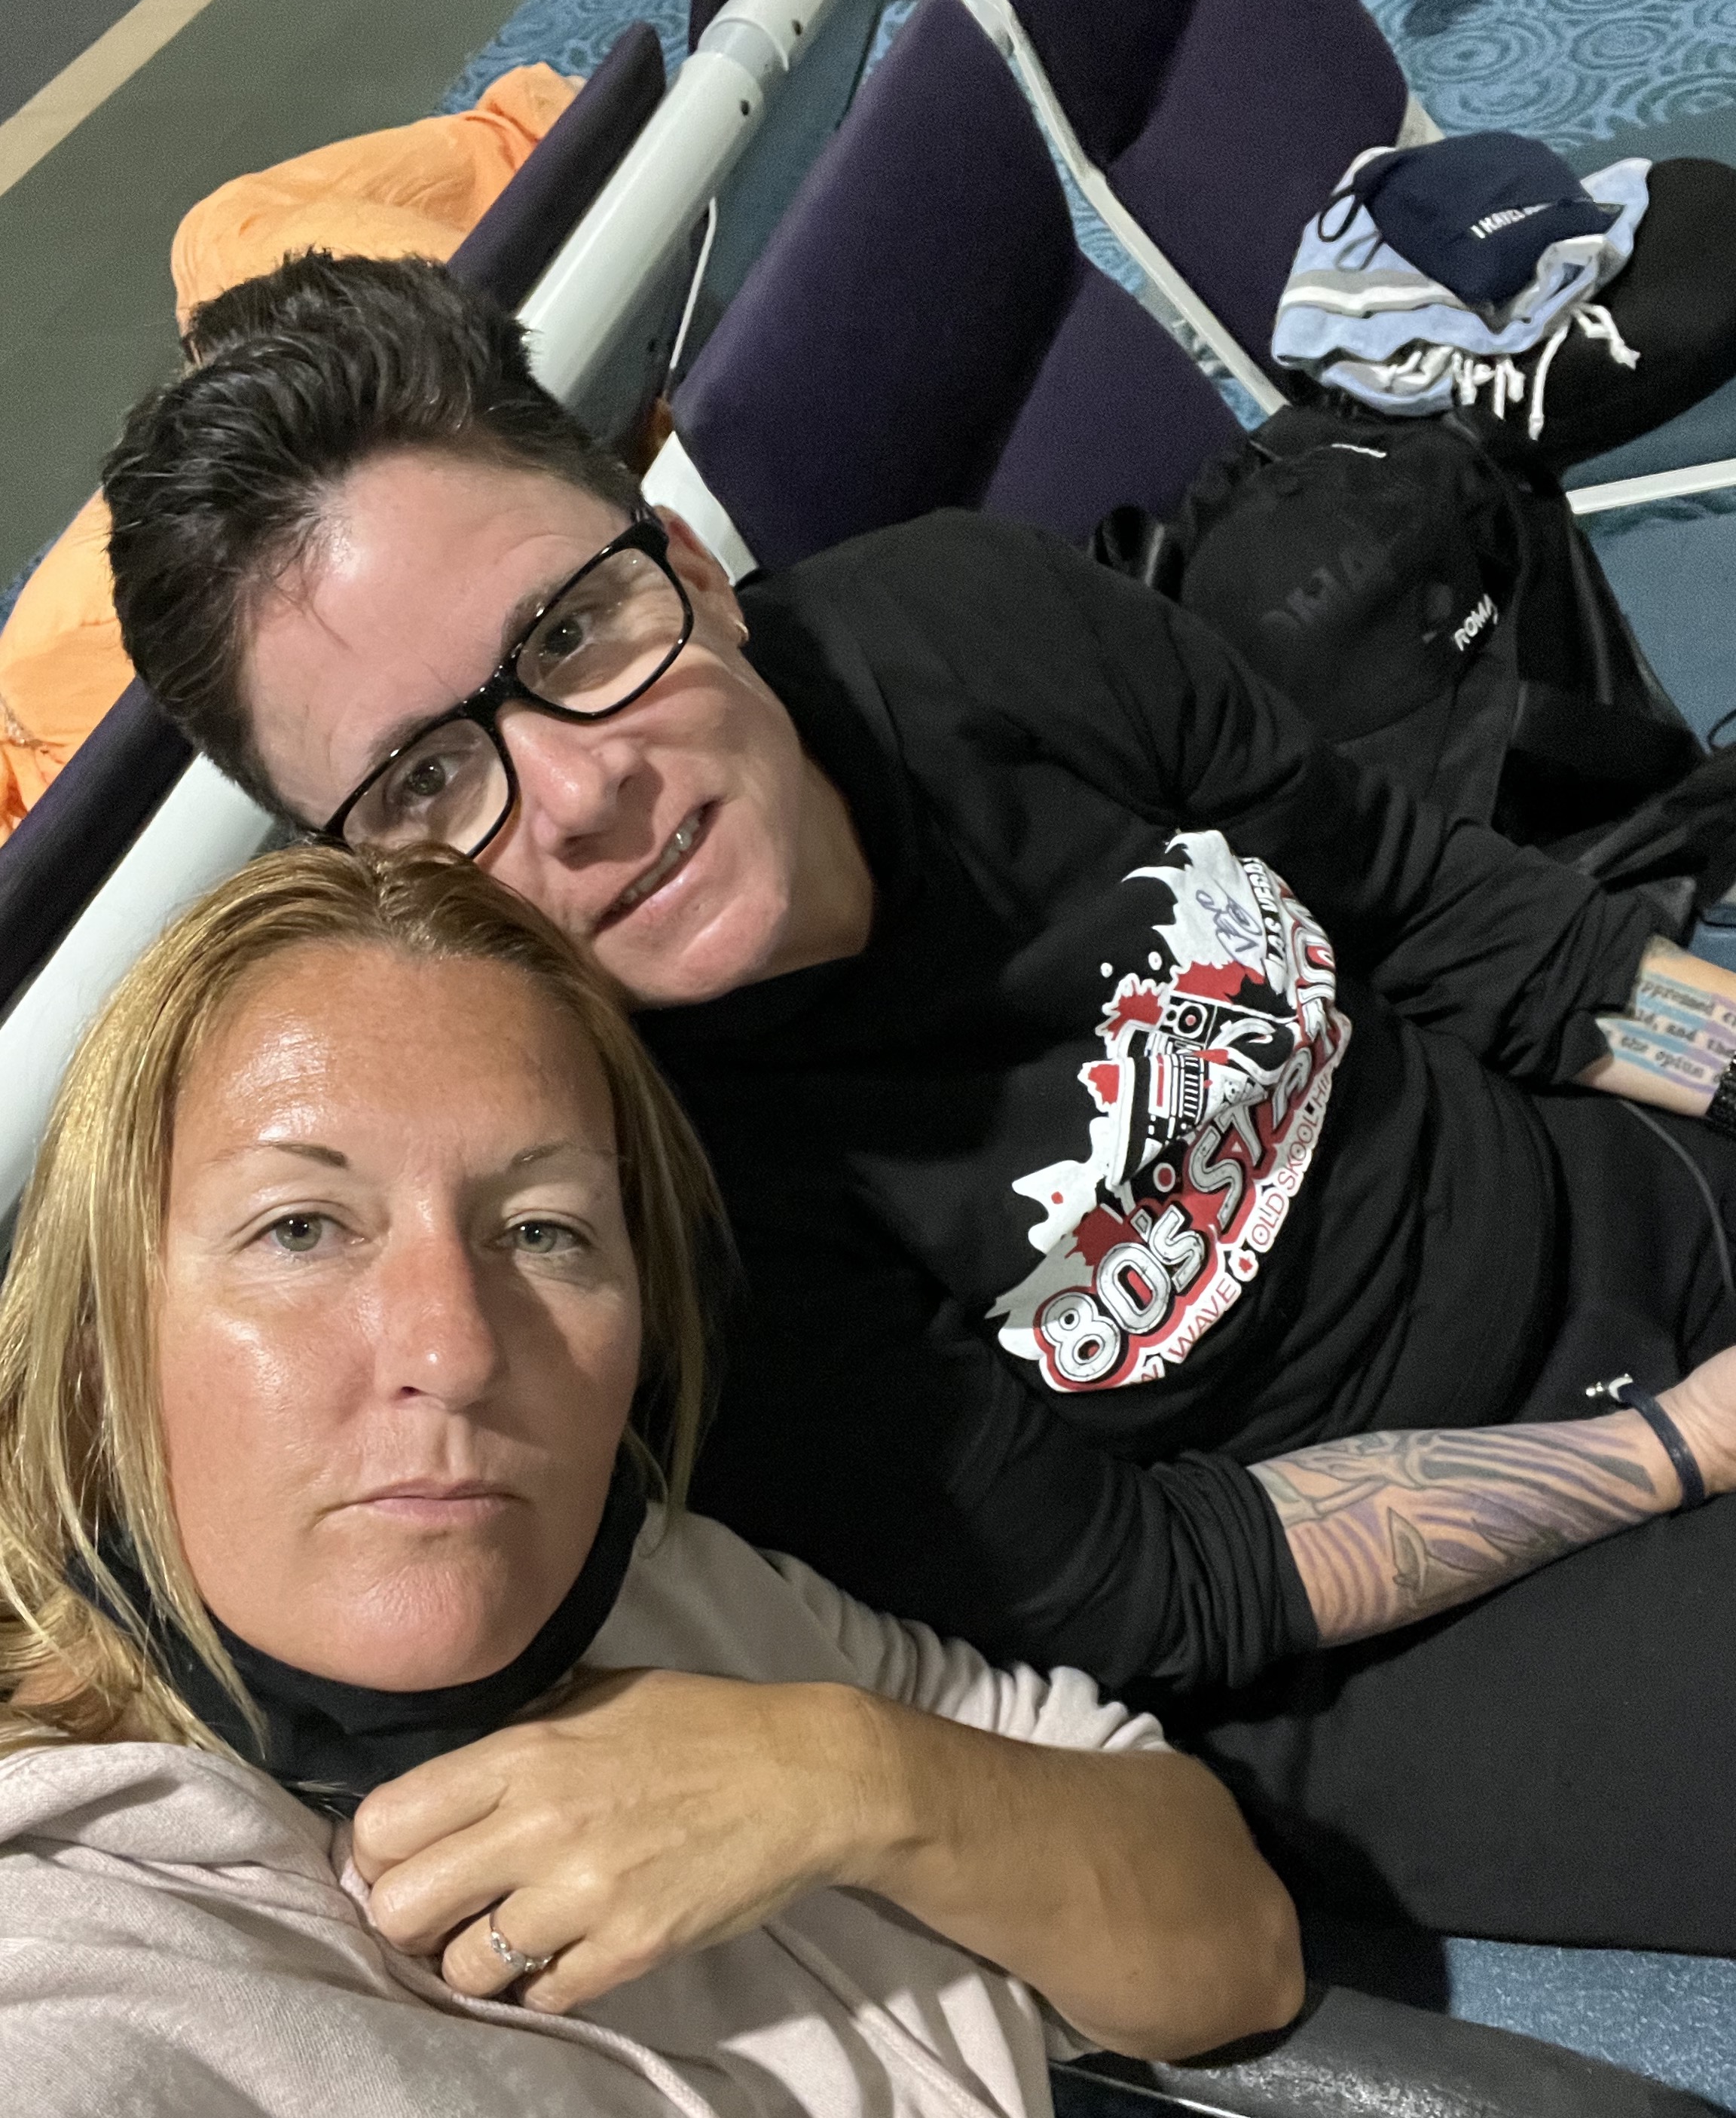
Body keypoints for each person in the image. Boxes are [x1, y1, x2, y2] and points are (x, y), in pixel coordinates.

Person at [100, 251, 1736, 1951]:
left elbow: (1436, 912)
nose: (578, 791)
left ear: (691, 570)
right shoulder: (623, 1193)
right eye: (428, 777)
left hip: (1614, 1211)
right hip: (1376, 1625)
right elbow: (1156, 1582)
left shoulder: (966, 621)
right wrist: (1677, 1448)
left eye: (571, 632)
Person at [0, 842, 1307, 2118]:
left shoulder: (681, 1597)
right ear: (95, 1345)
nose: (454, 1348)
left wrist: (853, 1779)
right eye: (302, 1228)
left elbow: (1239, 1952)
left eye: (543, 1231)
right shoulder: (68, 1978)